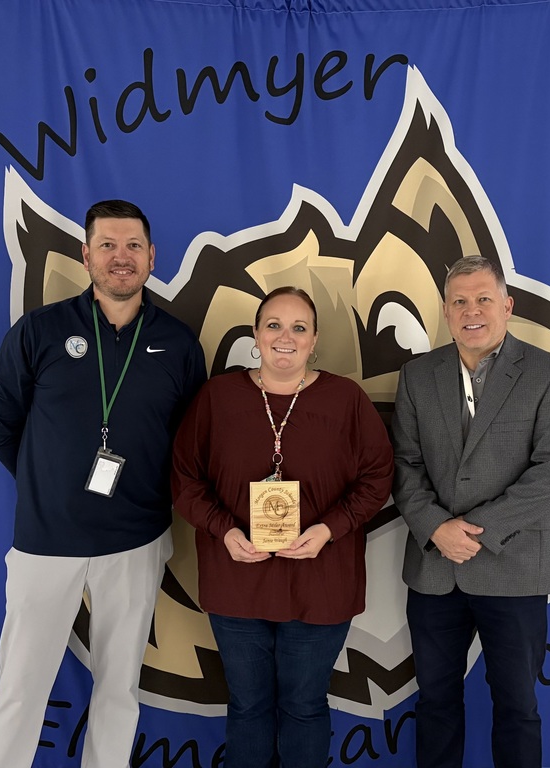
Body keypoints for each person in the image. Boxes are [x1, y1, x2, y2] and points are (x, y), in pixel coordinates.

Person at [0, 200, 206, 768]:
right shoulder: (40, 331)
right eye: (107, 245)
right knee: (19, 689)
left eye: (133, 246)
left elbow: (189, 445)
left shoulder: (178, 344)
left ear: (153, 257)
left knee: (119, 689)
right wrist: (46, 486)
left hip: (135, 540)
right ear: (86, 255)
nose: (120, 257)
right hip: (44, 542)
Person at [171, 286, 393, 768]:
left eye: (299, 328)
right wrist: (223, 530)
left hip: (321, 582)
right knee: (248, 707)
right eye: (273, 325)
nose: (285, 337)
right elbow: (185, 478)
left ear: (315, 340)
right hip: (237, 582)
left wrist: (330, 529)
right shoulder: (218, 397)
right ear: (256, 334)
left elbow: (378, 478)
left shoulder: (345, 400)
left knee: (304, 707)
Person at [392, 255, 550, 768]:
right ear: (445, 310)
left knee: (518, 708)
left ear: (507, 305)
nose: (470, 311)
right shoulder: (417, 376)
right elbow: (404, 466)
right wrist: (436, 528)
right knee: (435, 705)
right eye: (459, 301)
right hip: (435, 571)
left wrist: (476, 532)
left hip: (515, 571)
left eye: (482, 299)